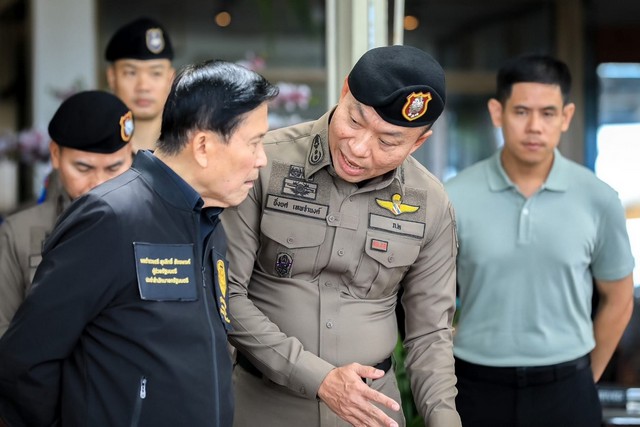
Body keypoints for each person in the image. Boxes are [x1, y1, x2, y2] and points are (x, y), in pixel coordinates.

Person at [0, 59, 279, 427]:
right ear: (203, 146)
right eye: (255, 142)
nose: (262, 159)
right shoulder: (110, 217)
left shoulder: (209, 222)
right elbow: (26, 359)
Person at [221, 45, 461, 427]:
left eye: (387, 142)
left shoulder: (430, 202)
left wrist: (444, 419)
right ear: (344, 90)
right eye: (354, 120)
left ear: (418, 142)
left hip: (374, 410)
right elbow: (226, 295)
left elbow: (430, 333)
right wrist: (319, 378)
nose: (359, 148)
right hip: (263, 404)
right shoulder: (264, 163)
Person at [445, 53, 635, 426]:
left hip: (567, 388)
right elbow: (426, 299)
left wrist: (586, 377)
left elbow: (620, 297)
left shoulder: (599, 198)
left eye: (548, 113)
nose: (534, 127)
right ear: (497, 113)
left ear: (566, 117)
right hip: (474, 385)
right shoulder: (453, 197)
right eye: (521, 112)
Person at [0, 90, 134, 336]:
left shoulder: (160, 224)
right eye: (83, 168)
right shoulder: (19, 233)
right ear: (55, 155)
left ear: (131, 155)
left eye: (114, 168)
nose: (99, 184)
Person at [105, 16, 175, 152]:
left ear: (171, 78)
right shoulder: (95, 152)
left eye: (156, 73)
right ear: (112, 77)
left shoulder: (190, 150)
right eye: (131, 73)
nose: (143, 87)